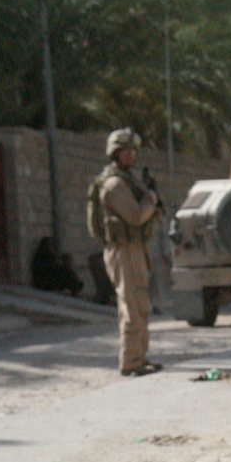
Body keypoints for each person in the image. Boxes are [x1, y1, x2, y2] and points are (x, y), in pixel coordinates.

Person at [88, 129, 162, 377]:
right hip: (124, 249)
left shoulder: (126, 180)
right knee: (132, 305)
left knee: (140, 303)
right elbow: (135, 215)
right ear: (115, 153)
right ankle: (131, 361)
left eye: (133, 151)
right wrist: (151, 198)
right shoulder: (114, 184)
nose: (131, 156)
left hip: (133, 248)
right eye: (125, 152)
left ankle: (138, 357)